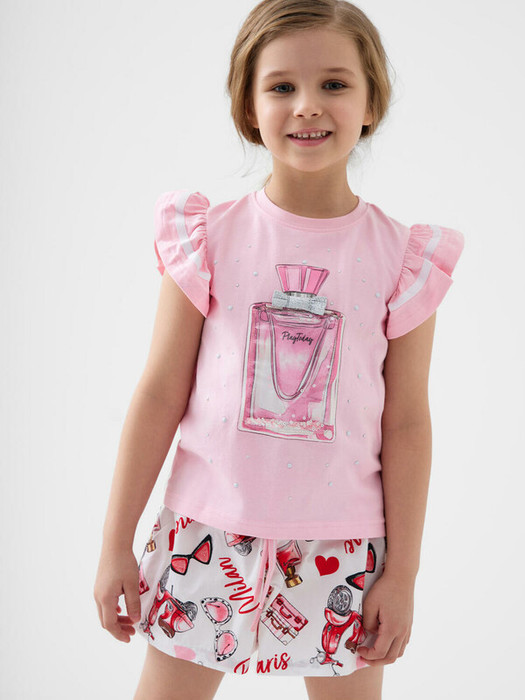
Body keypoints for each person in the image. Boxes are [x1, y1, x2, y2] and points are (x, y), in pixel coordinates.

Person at [93, 1, 465, 698]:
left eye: (333, 84)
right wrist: (115, 542)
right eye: (282, 86)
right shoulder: (206, 239)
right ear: (248, 105)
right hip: (205, 533)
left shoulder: (402, 259)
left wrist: (403, 573)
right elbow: (159, 392)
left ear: (371, 103)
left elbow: (407, 422)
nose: (307, 106)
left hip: (344, 549)